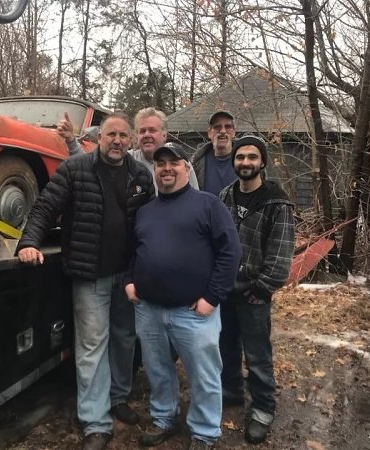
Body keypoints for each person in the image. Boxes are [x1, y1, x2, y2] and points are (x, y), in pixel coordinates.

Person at [17, 112, 155, 450]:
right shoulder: (75, 169)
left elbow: (150, 226)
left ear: (131, 141)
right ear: (99, 137)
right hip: (90, 275)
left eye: (124, 136)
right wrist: (29, 242)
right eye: (112, 135)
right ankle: (96, 421)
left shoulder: (140, 176)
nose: (118, 141)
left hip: (127, 277)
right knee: (92, 346)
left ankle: (118, 397)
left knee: (124, 340)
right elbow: (45, 207)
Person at [124, 142, 241, 450]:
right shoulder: (145, 211)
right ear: (155, 170)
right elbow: (133, 251)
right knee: (157, 370)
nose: (166, 168)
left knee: (203, 375)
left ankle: (204, 432)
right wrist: (129, 282)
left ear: (186, 168)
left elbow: (230, 253)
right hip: (148, 309)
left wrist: (212, 298)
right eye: (160, 163)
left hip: (193, 312)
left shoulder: (208, 205)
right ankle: (164, 417)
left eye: (174, 162)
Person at [218, 135, 295, 444]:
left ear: (262, 162)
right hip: (225, 292)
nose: (245, 162)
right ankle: (231, 392)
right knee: (226, 348)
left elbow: (281, 252)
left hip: (253, 294)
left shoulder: (277, 201)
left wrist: (263, 288)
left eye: (252, 157)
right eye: (240, 157)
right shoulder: (225, 196)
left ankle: (263, 408)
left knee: (258, 355)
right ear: (234, 161)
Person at [56, 107, 199, 192]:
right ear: (135, 136)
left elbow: (195, 201)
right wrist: (71, 140)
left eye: (152, 130)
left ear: (164, 135)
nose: (147, 135)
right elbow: (89, 166)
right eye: (142, 131)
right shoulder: (127, 160)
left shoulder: (181, 165)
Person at [190, 110, 238, 196]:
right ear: (209, 133)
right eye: (217, 127)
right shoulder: (196, 163)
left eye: (227, 126)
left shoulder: (247, 160)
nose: (223, 131)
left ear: (234, 132)